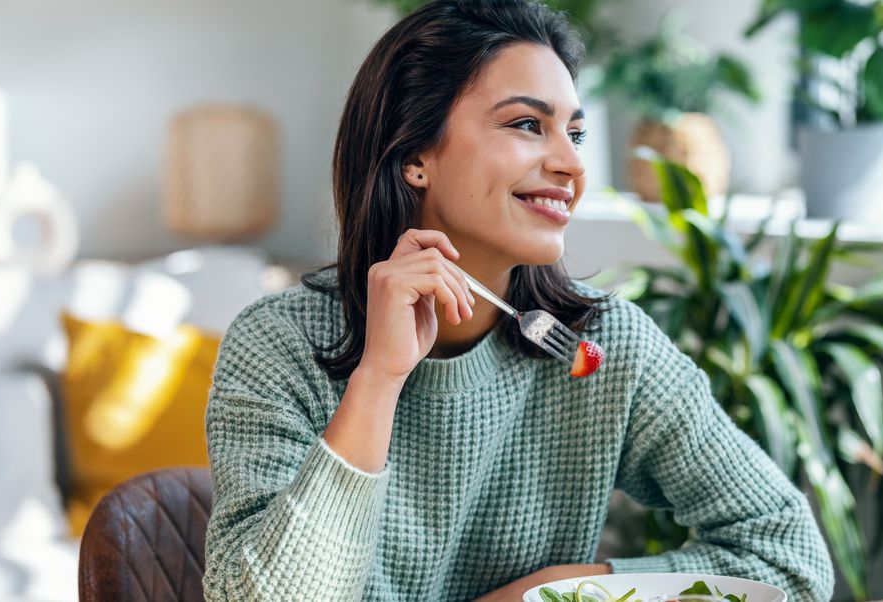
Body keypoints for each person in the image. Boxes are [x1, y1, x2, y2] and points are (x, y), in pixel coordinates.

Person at [202, 0, 834, 600]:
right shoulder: (279, 345)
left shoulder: (604, 347)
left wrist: (554, 592)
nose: (571, 164)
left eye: (575, 134)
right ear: (417, 154)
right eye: (528, 125)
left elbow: (790, 556)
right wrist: (378, 378)